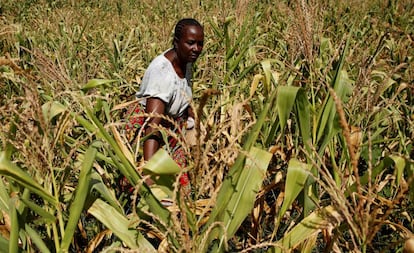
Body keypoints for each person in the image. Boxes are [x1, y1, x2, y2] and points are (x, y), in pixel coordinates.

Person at [125, 18, 204, 193]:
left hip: (170, 127)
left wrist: (193, 120)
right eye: (191, 43)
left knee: (179, 189)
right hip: (149, 129)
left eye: (200, 44)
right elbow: (152, 125)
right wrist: (150, 171)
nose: (196, 49)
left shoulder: (186, 62)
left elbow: (184, 94)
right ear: (176, 42)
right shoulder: (162, 73)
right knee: (148, 189)